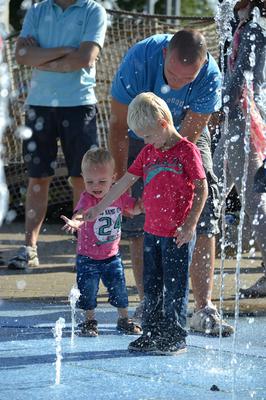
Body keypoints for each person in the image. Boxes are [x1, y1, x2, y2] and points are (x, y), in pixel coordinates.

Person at [109, 28, 234, 335]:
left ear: (201, 68)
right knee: (139, 212)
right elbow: (117, 126)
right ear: (164, 56)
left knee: (204, 209)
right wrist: (120, 185)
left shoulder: (210, 76)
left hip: (182, 135)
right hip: (142, 129)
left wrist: (170, 183)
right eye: (172, 75)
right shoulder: (140, 59)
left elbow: (185, 143)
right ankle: (148, 303)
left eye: (186, 80)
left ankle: (203, 307)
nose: (177, 84)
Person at [83, 93, 208, 354]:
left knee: (175, 287)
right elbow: (125, 183)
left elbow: (202, 188)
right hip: (151, 232)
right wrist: (98, 207)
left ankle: (175, 336)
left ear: (163, 124)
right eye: (142, 138)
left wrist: (190, 224)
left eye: (149, 136)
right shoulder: (149, 153)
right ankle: (152, 332)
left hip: (178, 235)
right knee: (151, 286)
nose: (146, 142)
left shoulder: (186, 150)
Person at [7, 0, 107, 270]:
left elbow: (85, 58)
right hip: (39, 105)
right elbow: (22, 55)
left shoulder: (93, 10)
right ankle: (29, 248)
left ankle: (84, 249)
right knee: (37, 178)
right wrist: (65, 52)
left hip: (80, 105)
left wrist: (42, 56)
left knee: (81, 179)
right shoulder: (38, 10)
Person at [214, 0, 266, 298]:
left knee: (253, 199)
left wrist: (217, 111)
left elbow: (243, 80)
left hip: (242, 122)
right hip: (236, 122)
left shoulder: (254, 30)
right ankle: (191, 256)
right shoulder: (243, 26)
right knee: (212, 187)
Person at [61, 148, 142, 336]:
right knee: (88, 292)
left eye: (102, 181)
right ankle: (90, 321)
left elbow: (133, 208)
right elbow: (81, 214)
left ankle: (123, 319)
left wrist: (142, 205)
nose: (96, 186)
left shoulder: (118, 195)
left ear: (114, 178)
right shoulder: (87, 198)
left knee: (120, 290)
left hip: (112, 256)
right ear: (83, 178)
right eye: (90, 181)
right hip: (87, 258)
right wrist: (75, 221)